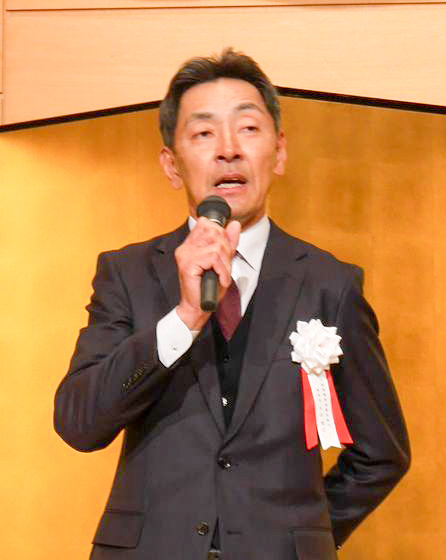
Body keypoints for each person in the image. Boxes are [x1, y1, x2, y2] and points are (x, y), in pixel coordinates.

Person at [54, 49, 410, 560]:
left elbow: (382, 452)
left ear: (279, 152)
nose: (228, 150)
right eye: (204, 133)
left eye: (247, 128)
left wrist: (301, 536)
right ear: (171, 164)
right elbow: (79, 423)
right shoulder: (127, 273)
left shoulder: (331, 283)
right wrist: (185, 317)